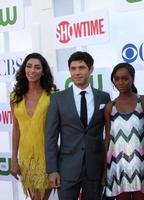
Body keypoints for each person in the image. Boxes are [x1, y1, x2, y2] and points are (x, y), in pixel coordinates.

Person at [45, 51, 110, 200]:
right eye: (73, 68)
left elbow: (108, 134)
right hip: (66, 168)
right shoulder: (57, 99)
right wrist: (52, 170)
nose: (77, 72)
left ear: (91, 69)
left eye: (81, 67)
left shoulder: (103, 97)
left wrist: (106, 168)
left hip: (95, 168)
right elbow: (50, 137)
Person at [10, 53, 56, 200]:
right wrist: (14, 159)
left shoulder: (52, 95)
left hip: (47, 156)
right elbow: (16, 129)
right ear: (24, 69)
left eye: (37, 67)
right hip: (26, 156)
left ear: (43, 72)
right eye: (29, 66)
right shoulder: (15, 97)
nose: (32, 70)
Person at [104, 63, 144, 200]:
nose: (120, 82)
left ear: (132, 78)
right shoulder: (109, 107)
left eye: (125, 78)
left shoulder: (143, 101)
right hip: (118, 166)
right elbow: (107, 138)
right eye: (116, 79)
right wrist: (104, 170)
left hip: (142, 164)